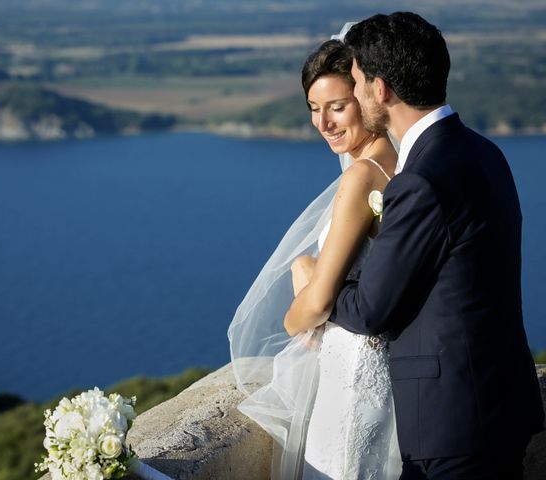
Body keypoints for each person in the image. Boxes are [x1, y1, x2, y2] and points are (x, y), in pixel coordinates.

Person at [330, 12, 545, 479]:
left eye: (357, 80)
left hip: (453, 423)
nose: (353, 91)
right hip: (501, 400)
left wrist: (323, 281)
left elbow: (370, 310)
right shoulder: (485, 152)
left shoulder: (421, 181)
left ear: (381, 89)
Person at [228, 32, 400, 479]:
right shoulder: (401, 163)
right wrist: (304, 264)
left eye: (337, 107)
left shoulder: (362, 177)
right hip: (388, 376)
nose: (323, 123)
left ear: (367, 96)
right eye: (313, 110)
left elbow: (318, 304)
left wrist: (294, 311)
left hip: (352, 378)